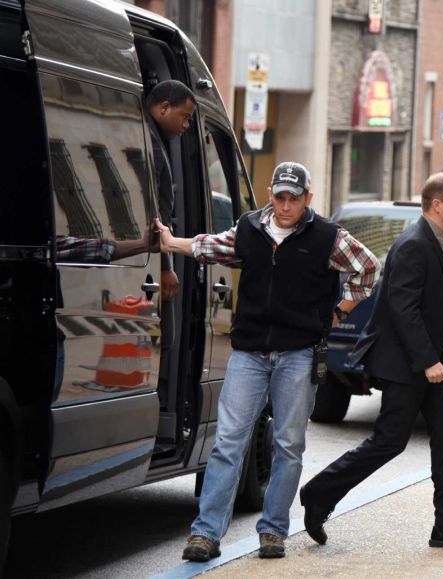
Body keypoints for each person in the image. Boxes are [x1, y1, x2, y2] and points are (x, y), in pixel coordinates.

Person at [156, 161, 380, 562]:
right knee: (227, 443)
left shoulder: (328, 236)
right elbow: (212, 246)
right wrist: (173, 243)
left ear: (307, 199)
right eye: (279, 196)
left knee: (288, 445)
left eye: (294, 198)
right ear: (271, 195)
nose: (285, 205)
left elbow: (368, 268)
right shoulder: (250, 229)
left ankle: (273, 530)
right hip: (249, 354)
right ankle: (205, 534)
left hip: (299, 355)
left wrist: (341, 309)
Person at [300, 173, 443, 548]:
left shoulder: (437, 240)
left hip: (428, 365)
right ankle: (319, 493)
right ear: (436, 204)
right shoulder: (413, 244)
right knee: (388, 442)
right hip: (407, 365)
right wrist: (428, 360)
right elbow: (402, 307)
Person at [144, 80, 197, 398]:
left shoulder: (152, 135)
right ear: (164, 108)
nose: (187, 125)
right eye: (185, 116)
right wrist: (166, 266)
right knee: (163, 339)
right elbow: (153, 215)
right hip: (150, 265)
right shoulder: (148, 140)